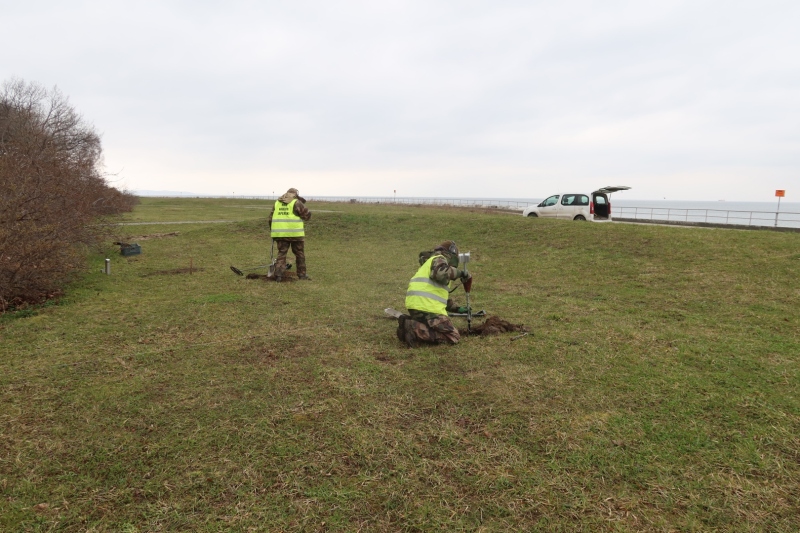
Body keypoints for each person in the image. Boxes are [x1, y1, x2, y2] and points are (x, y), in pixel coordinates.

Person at [397, 240, 471, 348]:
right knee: (453, 336)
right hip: (427, 308)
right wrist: (460, 273)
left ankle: (407, 327)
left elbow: (437, 298)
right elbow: (440, 274)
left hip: (417, 306)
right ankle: (414, 329)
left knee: (433, 328)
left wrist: (457, 308)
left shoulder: (430, 262)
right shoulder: (440, 259)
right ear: (451, 253)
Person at [268, 188, 312, 281]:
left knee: (281, 253)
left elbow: (270, 219)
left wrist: (273, 231)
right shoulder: (296, 202)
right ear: (295, 194)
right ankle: (302, 275)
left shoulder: (277, 203)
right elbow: (307, 216)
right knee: (299, 254)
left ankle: (278, 275)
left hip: (280, 234)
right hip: (296, 234)